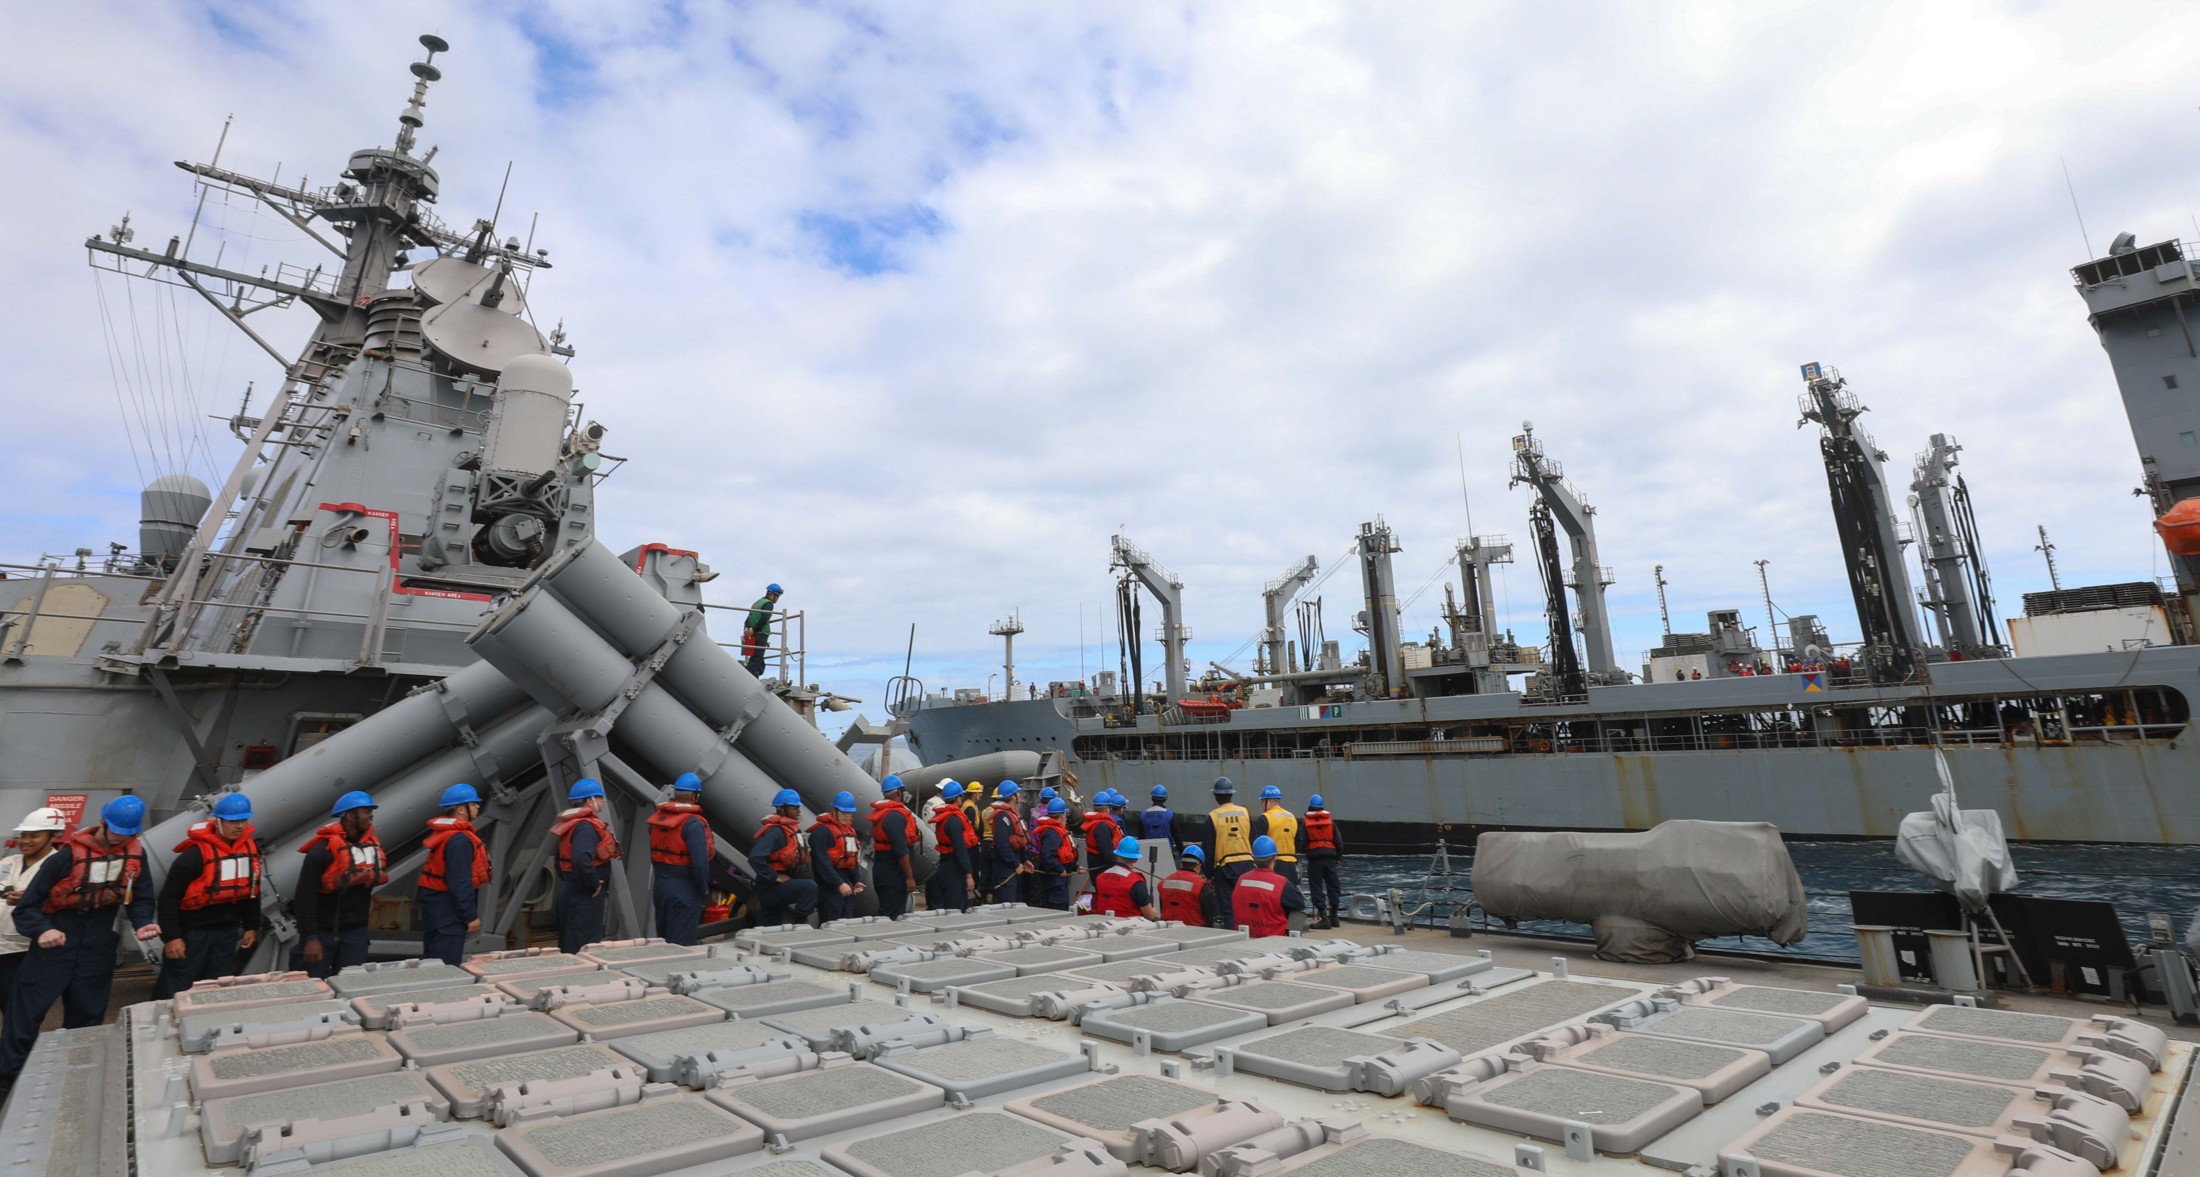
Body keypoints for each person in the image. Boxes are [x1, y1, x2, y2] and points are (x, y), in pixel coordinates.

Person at [0, 796, 162, 1096]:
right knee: (24, 1018)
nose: (120, 839)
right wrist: (43, 931)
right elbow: (26, 909)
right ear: (103, 823)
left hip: (97, 948)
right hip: (54, 945)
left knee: (88, 1019)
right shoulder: (63, 858)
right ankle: (7, 1084)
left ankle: (73, 1081)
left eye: (128, 834)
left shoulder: (135, 856)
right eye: (116, 832)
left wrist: (142, 922)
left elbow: (141, 898)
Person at [154, 792, 264, 999]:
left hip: (226, 932)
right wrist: (172, 937)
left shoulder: (248, 853)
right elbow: (169, 899)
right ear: (218, 821)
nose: (239, 826)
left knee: (215, 985)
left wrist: (251, 926)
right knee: (177, 986)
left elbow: (251, 892)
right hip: (192, 934)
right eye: (232, 821)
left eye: (243, 820)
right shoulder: (193, 856)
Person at [293, 791, 385, 977]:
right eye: (366, 811)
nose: (371, 816)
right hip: (322, 934)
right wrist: (310, 937)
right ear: (350, 816)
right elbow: (305, 897)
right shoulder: (321, 852)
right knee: (313, 987)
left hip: (355, 934)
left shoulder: (371, 850)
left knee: (351, 985)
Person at [0, 809, 66, 1011]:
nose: (25, 841)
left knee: (18, 1009)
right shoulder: (8, 862)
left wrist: (37, 898)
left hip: (25, 951)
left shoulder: (61, 867)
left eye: (34, 835)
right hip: (1, 947)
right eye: (23, 835)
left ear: (53, 836)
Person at [419, 784, 489, 966]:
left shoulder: (447, 836)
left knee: (433, 964)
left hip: (438, 913)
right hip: (448, 917)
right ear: (460, 809)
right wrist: (470, 915)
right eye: (473, 804)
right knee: (445, 967)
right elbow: (459, 882)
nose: (477, 807)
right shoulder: (459, 841)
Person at [549, 779, 618, 954]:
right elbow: (581, 859)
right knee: (583, 948)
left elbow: (559, 860)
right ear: (590, 801)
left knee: (570, 944)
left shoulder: (571, 825)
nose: (603, 800)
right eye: (600, 797)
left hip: (571, 891)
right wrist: (594, 884)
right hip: (584, 897)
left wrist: (570, 881)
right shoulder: (585, 827)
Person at [649, 773, 714, 944]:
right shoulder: (692, 824)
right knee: (681, 944)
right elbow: (700, 864)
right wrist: (703, 889)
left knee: (664, 940)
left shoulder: (658, 820)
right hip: (684, 888)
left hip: (661, 887)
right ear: (695, 796)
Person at [748, 789, 817, 926]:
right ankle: (800, 924)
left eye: (798, 808)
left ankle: (761, 939)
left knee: (768, 924)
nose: (798, 811)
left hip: (774, 887)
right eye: (794, 808)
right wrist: (775, 877)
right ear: (782, 810)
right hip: (770, 888)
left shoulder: (789, 830)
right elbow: (755, 857)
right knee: (810, 887)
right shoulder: (776, 832)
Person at [1204, 777, 1255, 928]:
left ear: (1216, 796)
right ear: (1231, 794)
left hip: (1224, 868)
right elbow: (1253, 839)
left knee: (1228, 909)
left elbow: (1209, 849)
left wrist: (1208, 875)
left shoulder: (1213, 816)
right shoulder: (1245, 813)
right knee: (1247, 905)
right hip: (1247, 865)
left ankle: (1233, 936)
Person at [1230, 835, 1305, 938]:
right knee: (1299, 914)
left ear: (1254, 858)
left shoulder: (1241, 880)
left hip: (1243, 937)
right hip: (1273, 942)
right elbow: (1300, 905)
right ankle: (1291, 942)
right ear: (1274, 857)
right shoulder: (1282, 884)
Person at [808, 791, 865, 923]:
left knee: (847, 922)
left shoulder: (850, 832)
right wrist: (838, 884)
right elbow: (822, 863)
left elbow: (852, 859)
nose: (847, 816)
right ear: (834, 811)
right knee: (831, 923)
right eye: (844, 812)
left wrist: (856, 880)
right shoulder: (822, 832)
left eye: (849, 812)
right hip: (829, 887)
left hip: (846, 884)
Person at [869, 776, 920, 918]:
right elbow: (901, 850)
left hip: (883, 869)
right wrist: (909, 878)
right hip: (892, 874)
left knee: (888, 912)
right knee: (892, 915)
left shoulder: (883, 814)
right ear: (898, 792)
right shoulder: (894, 816)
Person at [927, 781, 978, 913]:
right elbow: (960, 849)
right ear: (956, 798)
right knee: (956, 909)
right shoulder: (954, 820)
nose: (962, 799)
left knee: (949, 906)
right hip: (954, 868)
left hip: (945, 863)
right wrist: (968, 874)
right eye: (960, 796)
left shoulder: (943, 818)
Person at [1302, 794, 1345, 929]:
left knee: (1316, 888)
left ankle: (1324, 918)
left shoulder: (1306, 823)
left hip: (1314, 860)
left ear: (1310, 806)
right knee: (1333, 886)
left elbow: (1302, 843)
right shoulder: (1330, 822)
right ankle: (1334, 917)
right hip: (1330, 859)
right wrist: (1338, 858)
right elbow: (1339, 843)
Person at [1091, 838, 1158, 919]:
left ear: (1116, 856)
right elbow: (1149, 916)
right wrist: (1154, 912)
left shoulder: (1100, 877)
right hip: (1130, 927)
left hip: (1104, 923)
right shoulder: (1136, 882)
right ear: (1136, 859)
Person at [986, 782, 1029, 905]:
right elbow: (1002, 844)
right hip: (1006, 870)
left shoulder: (1012, 814)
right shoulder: (1002, 817)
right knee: (1007, 905)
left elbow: (1018, 841)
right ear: (1013, 796)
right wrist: (1015, 864)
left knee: (1016, 903)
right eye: (1017, 792)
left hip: (1015, 866)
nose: (1020, 794)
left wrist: (1024, 860)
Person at [1029, 799, 1075, 910]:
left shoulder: (1054, 831)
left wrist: (1075, 867)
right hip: (1055, 881)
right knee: (1059, 909)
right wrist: (1060, 869)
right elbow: (1046, 855)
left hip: (1058, 878)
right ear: (1063, 815)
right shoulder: (1053, 833)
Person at [1158, 846, 1220, 927]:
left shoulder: (1163, 883)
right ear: (1199, 866)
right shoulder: (1202, 886)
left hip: (1167, 930)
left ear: (1181, 864)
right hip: (1195, 932)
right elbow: (1210, 916)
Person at [1256, 785, 1301, 886]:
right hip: (1291, 866)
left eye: (1262, 802)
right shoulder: (1292, 817)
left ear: (1269, 802)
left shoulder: (1264, 818)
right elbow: (1299, 843)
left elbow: (1258, 844)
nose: (1261, 805)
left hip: (1274, 866)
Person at [742, 583, 783, 678]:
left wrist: (747, 628)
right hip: (761, 633)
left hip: (752, 633)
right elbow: (764, 618)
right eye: (777, 596)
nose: (777, 599)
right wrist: (755, 630)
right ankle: (748, 675)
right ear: (773, 595)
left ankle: (757, 672)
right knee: (757, 656)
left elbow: (749, 617)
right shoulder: (768, 604)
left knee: (757, 655)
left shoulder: (757, 602)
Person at [1082, 791, 1123, 877]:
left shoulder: (1093, 822)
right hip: (1102, 869)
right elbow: (1106, 852)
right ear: (1107, 809)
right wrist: (1118, 865)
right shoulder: (1102, 827)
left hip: (1095, 865)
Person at [1139, 786, 1178, 856]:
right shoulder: (1170, 814)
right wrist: (1181, 852)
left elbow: (1140, 837)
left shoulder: (1143, 815)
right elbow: (1177, 835)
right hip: (1166, 853)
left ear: (1152, 798)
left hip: (1148, 853)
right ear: (1165, 798)